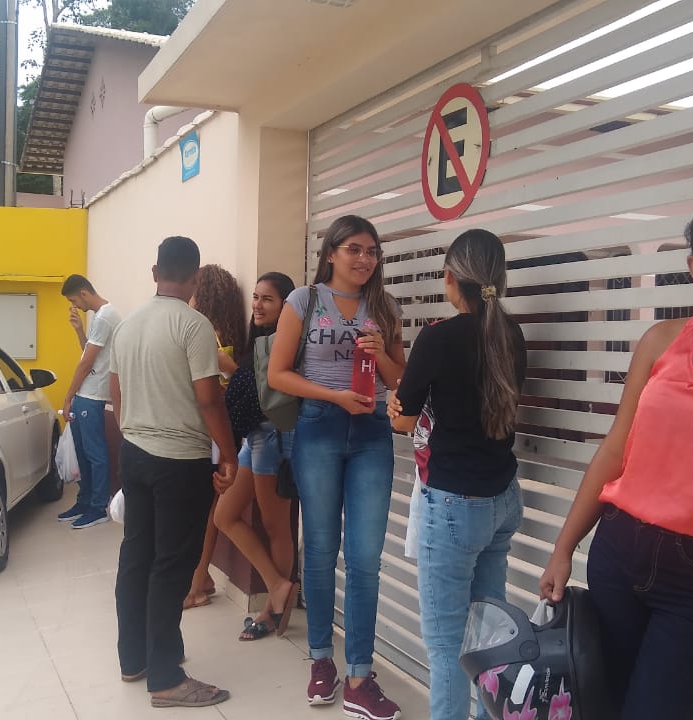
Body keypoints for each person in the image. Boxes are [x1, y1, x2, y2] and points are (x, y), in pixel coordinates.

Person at [539, 189, 693, 719]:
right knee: (595, 706)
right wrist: (564, 547)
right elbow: (616, 448)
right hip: (617, 551)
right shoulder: (661, 341)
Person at [268, 214, 406, 720]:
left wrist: (381, 356)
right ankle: (321, 661)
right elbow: (278, 374)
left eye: (371, 251)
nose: (364, 259)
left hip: (371, 434)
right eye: (354, 249)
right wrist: (334, 396)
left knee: (366, 557)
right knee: (322, 549)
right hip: (319, 427)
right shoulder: (303, 301)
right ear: (331, 253)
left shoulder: (385, 307)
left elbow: (401, 380)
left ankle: (360, 677)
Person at [387, 229, 527, 720]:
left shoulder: (438, 337)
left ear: (450, 278)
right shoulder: (512, 335)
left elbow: (405, 420)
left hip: (452, 504)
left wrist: (395, 407)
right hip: (503, 497)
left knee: (447, 646)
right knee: (490, 635)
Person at [109, 236, 239, 709]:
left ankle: (134, 658)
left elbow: (116, 393)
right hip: (179, 461)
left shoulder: (127, 325)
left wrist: (132, 435)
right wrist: (229, 454)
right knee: (172, 564)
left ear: (155, 272)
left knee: (136, 555)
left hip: (135, 453)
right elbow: (209, 399)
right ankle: (165, 678)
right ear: (196, 277)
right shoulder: (194, 325)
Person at [213, 271, 300, 641]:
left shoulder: (287, 342)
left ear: (286, 305)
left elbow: (258, 392)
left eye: (268, 299)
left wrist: (231, 372)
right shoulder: (262, 342)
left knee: (275, 525)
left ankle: (272, 608)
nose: (258, 305)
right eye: (256, 297)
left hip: (274, 438)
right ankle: (278, 585)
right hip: (255, 438)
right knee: (225, 515)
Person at [182, 264, 246, 610]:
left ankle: (195, 584)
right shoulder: (225, 333)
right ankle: (201, 577)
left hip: (210, 432)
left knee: (205, 511)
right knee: (206, 509)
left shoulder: (204, 334)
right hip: (220, 431)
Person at [55, 274, 122, 529]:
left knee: (95, 453)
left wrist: (67, 397)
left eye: (74, 300)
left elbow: (85, 364)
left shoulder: (105, 317)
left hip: (92, 395)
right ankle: (84, 502)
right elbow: (89, 353)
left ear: (84, 293)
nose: (75, 306)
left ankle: (97, 507)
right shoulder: (100, 316)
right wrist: (79, 330)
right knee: (83, 453)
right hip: (86, 394)